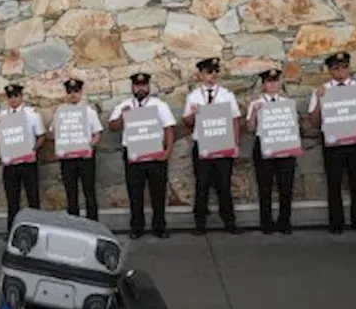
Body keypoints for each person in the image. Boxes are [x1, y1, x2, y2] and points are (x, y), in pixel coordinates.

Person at [308, 52, 356, 235]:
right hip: (333, 143)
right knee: (334, 183)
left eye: (344, 67)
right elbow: (314, 122)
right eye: (336, 68)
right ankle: (336, 223)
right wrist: (319, 102)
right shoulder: (322, 90)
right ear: (330, 70)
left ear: (349, 67)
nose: (340, 72)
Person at [109, 72, 175, 238]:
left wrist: (167, 151)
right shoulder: (124, 105)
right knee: (134, 193)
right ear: (132, 87)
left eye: (144, 85)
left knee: (158, 193)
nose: (141, 88)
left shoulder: (159, 105)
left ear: (148, 86)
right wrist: (123, 116)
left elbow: (169, 128)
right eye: (138, 85)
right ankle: (137, 227)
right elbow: (112, 126)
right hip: (133, 156)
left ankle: (160, 227)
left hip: (155, 155)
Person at [183, 58, 242, 236]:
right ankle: (200, 224)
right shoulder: (193, 96)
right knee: (202, 186)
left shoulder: (226, 95)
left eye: (215, 72)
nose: (212, 76)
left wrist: (235, 144)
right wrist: (193, 114)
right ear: (200, 75)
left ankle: (230, 222)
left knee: (224, 186)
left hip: (223, 145)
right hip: (202, 145)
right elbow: (186, 122)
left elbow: (235, 120)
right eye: (208, 72)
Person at [247, 69, 297, 235]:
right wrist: (255, 112)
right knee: (265, 187)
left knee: (286, 186)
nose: (272, 84)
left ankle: (285, 221)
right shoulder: (256, 103)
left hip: (284, 144)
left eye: (275, 81)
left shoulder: (287, 102)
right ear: (263, 85)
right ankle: (266, 223)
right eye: (269, 81)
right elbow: (250, 128)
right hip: (264, 145)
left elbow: (294, 126)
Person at [0, 84, 46, 226]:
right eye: (10, 97)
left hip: (27, 163)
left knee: (33, 198)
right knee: (12, 201)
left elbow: (41, 136)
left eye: (16, 96)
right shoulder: (2, 116)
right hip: (10, 164)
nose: (13, 100)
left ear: (21, 97)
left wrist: (34, 149)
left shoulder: (31, 114)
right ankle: (12, 233)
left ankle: (36, 229)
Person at [51, 78, 103, 220]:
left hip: (85, 159)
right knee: (71, 194)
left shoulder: (89, 112)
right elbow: (55, 132)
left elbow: (97, 134)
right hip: (67, 160)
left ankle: (93, 224)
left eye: (76, 91)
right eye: (69, 91)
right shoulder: (60, 112)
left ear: (80, 92)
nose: (73, 94)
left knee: (89, 192)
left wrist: (89, 146)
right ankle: (74, 226)